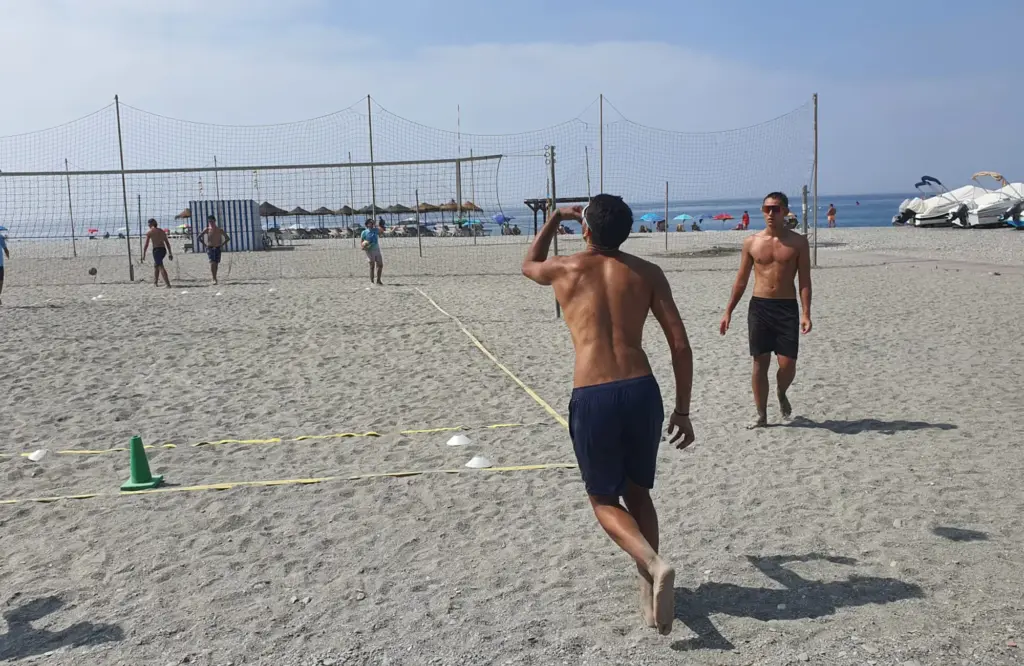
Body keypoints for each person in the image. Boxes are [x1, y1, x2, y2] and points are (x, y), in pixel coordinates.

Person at [521, 194, 695, 635]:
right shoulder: (648, 272)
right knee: (639, 492)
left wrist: (553, 216)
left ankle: (653, 564)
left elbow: (528, 264)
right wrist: (683, 409)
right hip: (641, 390)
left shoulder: (565, 268)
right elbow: (680, 345)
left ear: (585, 229)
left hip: (594, 392)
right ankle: (649, 591)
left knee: (602, 499)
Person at [719, 192, 812, 428]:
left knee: (787, 364)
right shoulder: (751, 242)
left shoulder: (798, 243)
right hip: (760, 307)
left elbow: (804, 280)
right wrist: (728, 311)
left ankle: (781, 391)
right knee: (759, 363)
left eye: (776, 209)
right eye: (766, 209)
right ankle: (761, 415)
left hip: (786, 307)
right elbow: (741, 280)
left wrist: (806, 313)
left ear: (785, 212)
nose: (770, 213)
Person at [197, 215, 230, 285]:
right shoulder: (207, 229)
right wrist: (205, 245)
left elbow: (227, 238)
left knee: (216, 263)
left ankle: (215, 277)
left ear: (215, 221)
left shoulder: (219, 230)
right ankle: (214, 278)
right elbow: (199, 237)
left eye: (212, 221)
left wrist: (221, 245)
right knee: (212, 263)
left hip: (217, 248)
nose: (211, 223)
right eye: (209, 221)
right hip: (210, 248)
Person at [140, 219, 173, 288]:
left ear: (151, 224)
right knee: (156, 265)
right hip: (163, 250)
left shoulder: (150, 232)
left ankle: (168, 284)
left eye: (148, 224)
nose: (148, 225)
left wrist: (144, 254)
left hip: (157, 250)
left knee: (160, 266)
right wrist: (170, 253)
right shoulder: (162, 231)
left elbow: (146, 244)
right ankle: (155, 283)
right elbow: (167, 243)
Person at [361, 219, 383, 284]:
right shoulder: (364, 232)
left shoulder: (376, 230)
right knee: (372, 266)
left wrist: (376, 225)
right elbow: (362, 241)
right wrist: (363, 246)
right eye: (370, 222)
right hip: (369, 250)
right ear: (367, 224)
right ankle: (372, 281)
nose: (372, 223)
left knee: (380, 265)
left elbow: (382, 231)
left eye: (372, 222)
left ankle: (378, 280)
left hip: (377, 249)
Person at [0, 232, 9, 305]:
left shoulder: (0, 237)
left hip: (0, 264)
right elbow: (6, 249)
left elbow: (5, 249)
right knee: (1, 281)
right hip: (0, 264)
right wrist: (8, 255)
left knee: (1, 281)